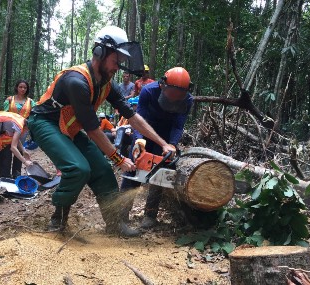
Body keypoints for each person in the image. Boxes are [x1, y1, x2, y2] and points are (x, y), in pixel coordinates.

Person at [27, 25, 176, 237]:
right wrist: (118, 159)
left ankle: (114, 225)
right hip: (45, 122)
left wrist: (163, 143)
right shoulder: (77, 81)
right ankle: (57, 221)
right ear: (100, 52)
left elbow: (132, 117)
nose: (118, 67)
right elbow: (94, 130)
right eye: (116, 61)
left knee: (103, 172)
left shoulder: (107, 83)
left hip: (69, 127)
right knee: (78, 168)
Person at [120, 67, 193, 230]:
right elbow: (138, 119)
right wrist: (138, 140)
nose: (174, 100)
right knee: (133, 169)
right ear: (162, 85)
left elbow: (178, 124)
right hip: (145, 133)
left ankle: (150, 214)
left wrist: (173, 144)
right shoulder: (148, 91)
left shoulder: (187, 100)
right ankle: (122, 214)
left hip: (167, 138)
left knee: (160, 175)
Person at [0, 111, 33, 193]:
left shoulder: (21, 121)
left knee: (1, 152)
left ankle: (3, 180)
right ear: (28, 126)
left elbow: (15, 139)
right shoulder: (19, 125)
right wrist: (24, 161)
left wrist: (23, 151)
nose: (27, 131)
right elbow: (13, 148)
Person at [0, 79, 36, 178]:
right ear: (17, 87)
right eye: (20, 87)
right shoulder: (10, 100)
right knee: (7, 151)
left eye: (25, 87)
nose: (23, 89)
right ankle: (5, 175)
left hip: (23, 130)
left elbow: (34, 116)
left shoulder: (31, 102)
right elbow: (5, 114)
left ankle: (16, 173)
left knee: (19, 150)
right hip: (9, 130)